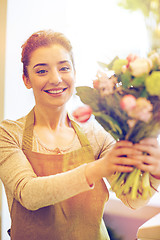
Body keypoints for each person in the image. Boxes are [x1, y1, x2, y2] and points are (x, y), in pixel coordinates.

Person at [0, 30, 160, 240]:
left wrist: (155, 172)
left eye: (64, 68)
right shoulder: (9, 133)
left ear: (74, 72)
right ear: (26, 79)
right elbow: (29, 194)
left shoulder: (97, 134)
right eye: (41, 71)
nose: (56, 79)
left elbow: (133, 200)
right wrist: (99, 168)